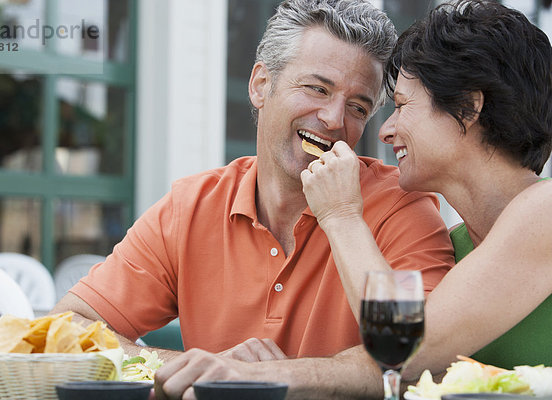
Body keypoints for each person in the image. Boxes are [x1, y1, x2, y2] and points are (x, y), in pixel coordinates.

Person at [51, 0, 456, 398]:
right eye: (318, 88)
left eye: (356, 106)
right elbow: (68, 325)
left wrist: (342, 216)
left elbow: (421, 359)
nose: (334, 119)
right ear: (261, 85)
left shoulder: (402, 206)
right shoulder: (191, 206)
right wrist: (197, 369)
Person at [300, 0, 552, 389]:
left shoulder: (546, 211)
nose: (385, 131)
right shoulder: (454, 247)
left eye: (401, 106)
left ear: (468, 108)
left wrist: (341, 215)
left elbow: (408, 351)